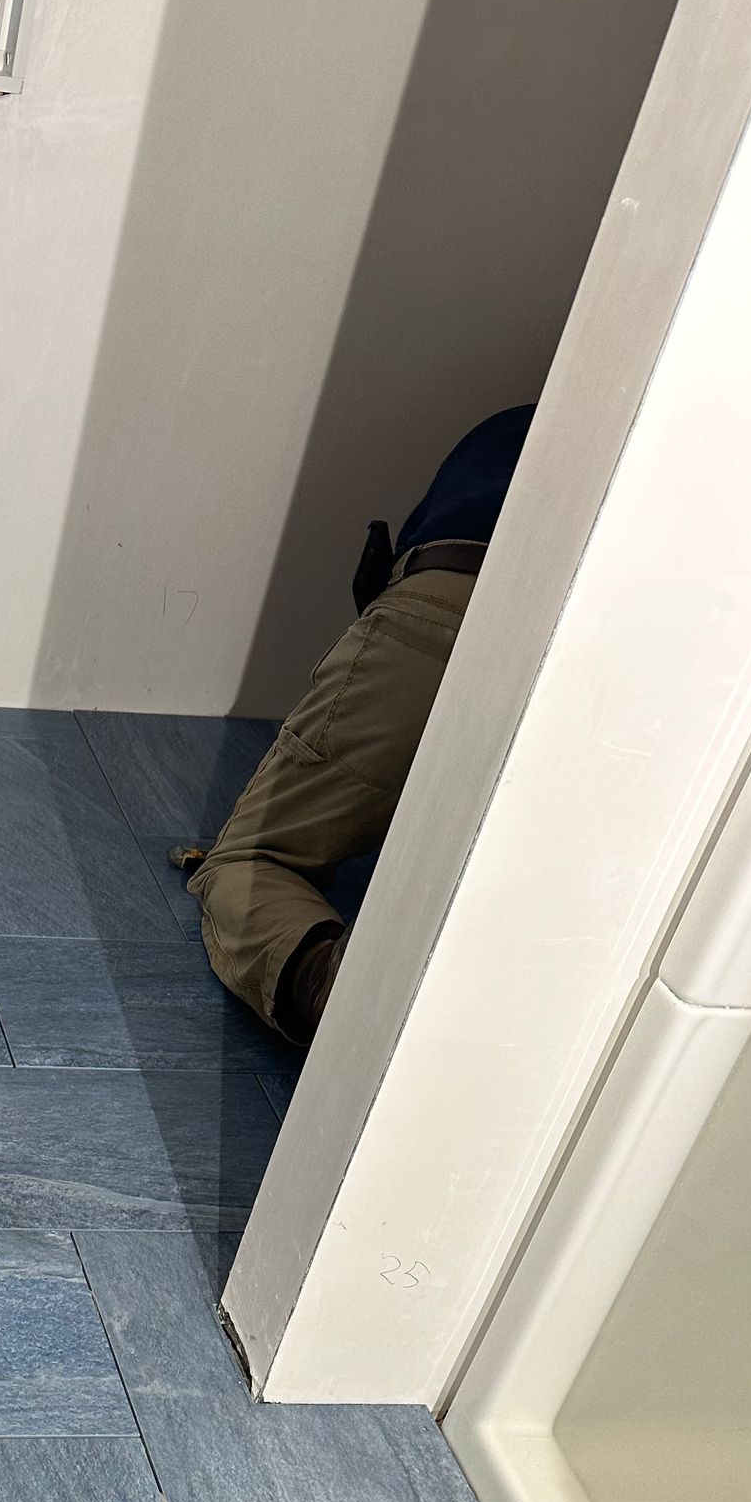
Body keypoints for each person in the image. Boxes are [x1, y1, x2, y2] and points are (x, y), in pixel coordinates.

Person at [180, 404, 535, 1044]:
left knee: (257, 860)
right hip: (632, 668)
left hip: (448, 598)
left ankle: (339, 997)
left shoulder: (528, 422)